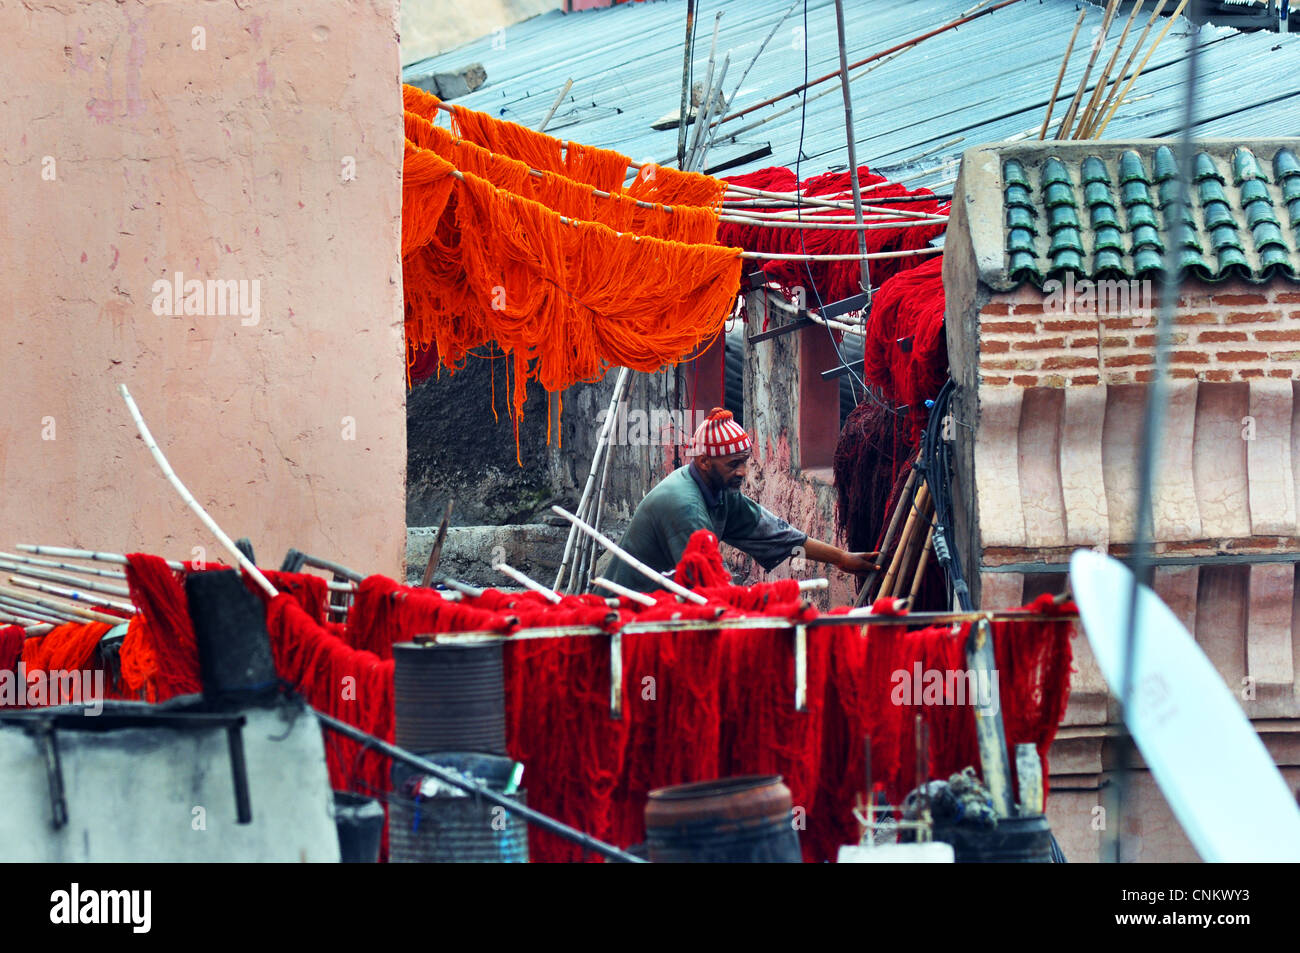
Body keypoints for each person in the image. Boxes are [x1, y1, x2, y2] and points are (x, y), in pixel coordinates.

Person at [603, 407, 880, 592]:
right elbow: (712, 587)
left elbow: (779, 535)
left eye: (745, 462)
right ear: (703, 461)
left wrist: (842, 558)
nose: (743, 472)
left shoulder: (720, 492)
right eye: (734, 464)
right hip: (623, 616)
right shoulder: (684, 505)